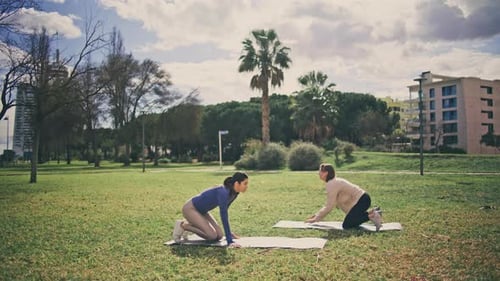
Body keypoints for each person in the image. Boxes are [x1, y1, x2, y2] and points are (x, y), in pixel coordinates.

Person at [172, 172, 249, 247]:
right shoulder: (223, 192)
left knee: (219, 236)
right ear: (236, 183)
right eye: (245, 183)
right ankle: (184, 226)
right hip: (190, 209)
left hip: (203, 211)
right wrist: (229, 240)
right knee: (211, 236)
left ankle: (192, 223)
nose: (246, 186)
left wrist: (228, 233)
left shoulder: (234, 193)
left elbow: (226, 211)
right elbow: (223, 215)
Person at [305, 163, 383, 231]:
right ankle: (374, 212)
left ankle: (373, 215)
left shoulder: (332, 184)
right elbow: (329, 204)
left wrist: (316, 219)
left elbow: (329, 206)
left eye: (320, 171)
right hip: (363, 199)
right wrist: (316, 215)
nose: (318, 173)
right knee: (352, 222)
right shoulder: (333, 182)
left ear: (326, 173)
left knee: (347, 225)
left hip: (362, 200)